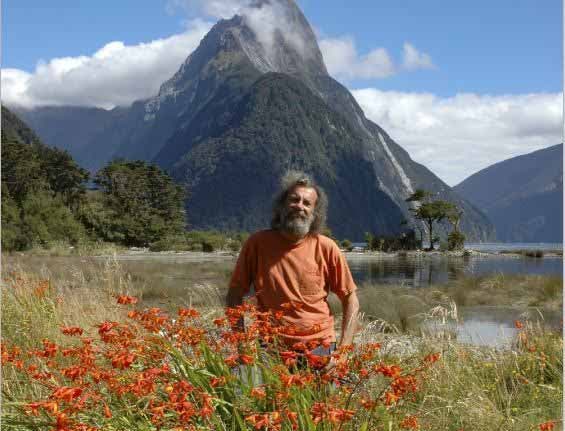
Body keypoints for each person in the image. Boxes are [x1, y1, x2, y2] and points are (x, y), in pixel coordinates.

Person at [226, 171, 359, 359]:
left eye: (307, 203)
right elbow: (234, 294)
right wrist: (241, 344)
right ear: (281, 206)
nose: (299, 206)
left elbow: (351, 299)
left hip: (322, 348)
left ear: (315, 213)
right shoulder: (257, 244)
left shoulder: (327, 248)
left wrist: (342, 353)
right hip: (271, 350)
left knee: (326, 389)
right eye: (294, 200)